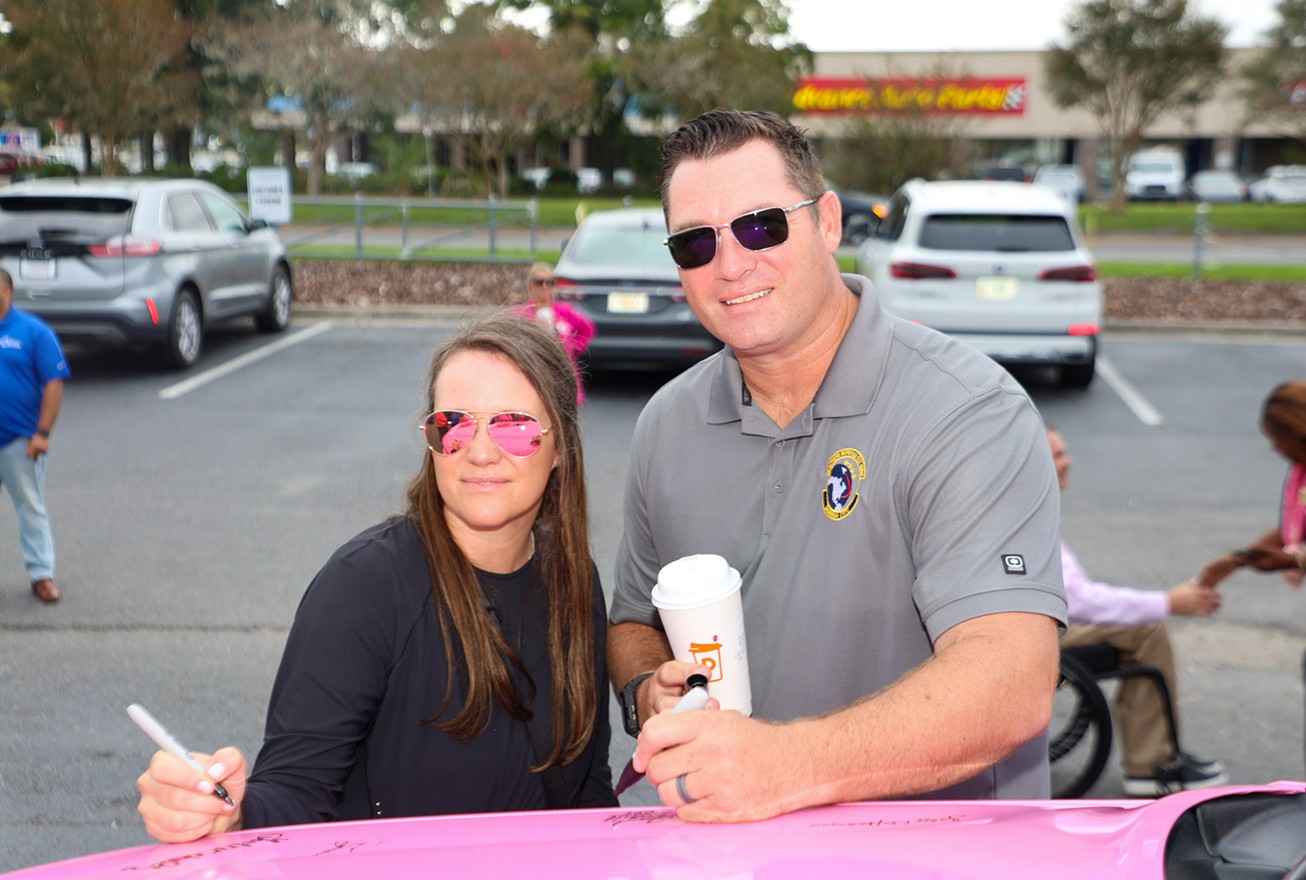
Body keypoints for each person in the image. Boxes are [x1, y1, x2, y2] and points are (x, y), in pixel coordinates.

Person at [607, 109, 1067, 823]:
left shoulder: (966, 409)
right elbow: (635, 618)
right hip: (732, 852)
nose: (730, 264)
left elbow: (1011, 680)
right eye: (696, 243)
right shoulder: (667, 423)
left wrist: (783, 765)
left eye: (762, 225)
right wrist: (647, 689)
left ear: (826, 221)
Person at [136, 313, 616, 843]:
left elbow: (587, 791)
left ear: (560, 449)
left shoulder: (573, 581)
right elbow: (296, 791)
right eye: (453, 424)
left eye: (515, 425)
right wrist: (226, 812)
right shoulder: (365, 586)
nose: (480, 451)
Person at [1048, 426, 1228, 796]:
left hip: (1034, 624)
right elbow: (1076, 599)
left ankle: (1154, 756)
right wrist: (1166, 603)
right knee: (1145, 629)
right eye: (1057, 455)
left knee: (1139, 627)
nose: (1069, 461)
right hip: (1034, 635)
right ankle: (1151, 764)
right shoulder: (1026, 513)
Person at [1198, 380, 1306, 781]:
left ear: (1299, 432)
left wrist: (1297, 560)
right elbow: (1297, 527)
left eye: (1277, 438)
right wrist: (1238, 559)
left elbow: (1302, 544)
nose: (1275, 449)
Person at [0, 268, 71, 604]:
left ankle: (41, 574)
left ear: (8, 292)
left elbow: (54, 384)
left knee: (31, 506)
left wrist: (42, 433)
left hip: (20, 441)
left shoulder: (33, 331)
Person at [511, 262, 595, 406]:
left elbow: (587, 328)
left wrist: (574, 348)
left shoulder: (565, 311)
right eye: (539, 282)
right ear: (531, 285)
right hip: (533, 379)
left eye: (549, 282)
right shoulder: (519, 314)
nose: (545, 287)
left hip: (563, 379)